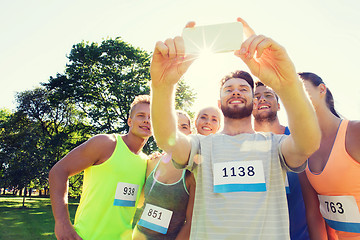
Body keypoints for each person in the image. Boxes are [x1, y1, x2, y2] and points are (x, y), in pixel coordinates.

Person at [150, 17, 321, 239]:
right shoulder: (201, 145)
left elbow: (308, 143)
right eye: (228, 89)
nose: (236, 91)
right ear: (219, 102)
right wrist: (162, 86)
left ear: (254, 100)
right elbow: (167, 139)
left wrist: (287, 84)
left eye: (244, 88)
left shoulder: (274, 145)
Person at [49, 95, 152, 240]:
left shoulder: (147, 163)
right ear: (130, 121)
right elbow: (58, 171)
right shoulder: (106, 143)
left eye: (152, 117)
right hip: (85, 236)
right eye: (141, 115)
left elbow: (142, 203)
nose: (147, 120)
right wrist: (62, 223)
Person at [299, 72, 360, 239]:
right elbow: (314, 213)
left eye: (300, 90)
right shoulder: (302, 149)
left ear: (321, 89)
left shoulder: (355, 131)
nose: (295, 97)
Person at [252, 81, 311, 240]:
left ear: (278, 105)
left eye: (268, 95)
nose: (262, 99)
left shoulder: (298, 138)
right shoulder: (243, 144)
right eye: (256, 97)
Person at [132, 110, 195, 240]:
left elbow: (191, 223)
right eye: (174, 125)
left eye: (184, 127)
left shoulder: (192, 172)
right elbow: (138, 202)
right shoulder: (151, 162)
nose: (178, 131)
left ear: (190, 133)